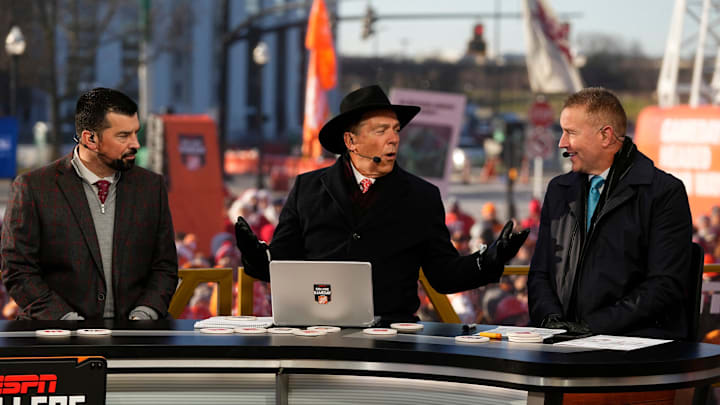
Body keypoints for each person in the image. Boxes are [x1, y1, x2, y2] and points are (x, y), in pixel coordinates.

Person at [235, 85, 528, 324]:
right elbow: (280, 265)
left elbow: (443, 275)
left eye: (396, 130)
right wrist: (255, 255)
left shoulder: (422, 196)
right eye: (380, 131)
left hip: (393, 340)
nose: (393, 139)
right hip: (318, 334)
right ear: (351, 140)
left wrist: (489, 259)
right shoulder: (307, 189)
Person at [528, 87, 693, 339]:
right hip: (561, 343)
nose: (562, 143)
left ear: (606, 136)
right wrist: (550, 319)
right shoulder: (558, 190)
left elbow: (664, 285)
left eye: (571, 133)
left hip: (635, 347)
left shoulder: (664, 193)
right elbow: (540, 272)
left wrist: (593, 328)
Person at [1, 87, 178, 320]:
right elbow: (17, 269)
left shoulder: (151, 187)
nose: (135, 144)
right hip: (56, 336)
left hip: (135, 336)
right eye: (123, 136)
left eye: (136, 133)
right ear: (90, 139)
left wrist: (147, 311)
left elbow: (164, 266)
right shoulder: (33, 188)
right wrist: (63, 318)